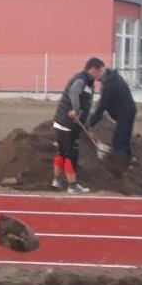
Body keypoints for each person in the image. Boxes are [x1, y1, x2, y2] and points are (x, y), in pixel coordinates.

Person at [51, 57, 106, 194]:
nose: (101, 75)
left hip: (60, 122)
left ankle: (56, 181)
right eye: (100, 72)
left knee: (61, 152)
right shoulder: (82, 79)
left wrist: (87, 127)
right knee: (71, 155)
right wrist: (75, 109)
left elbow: (86, 107)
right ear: (93, 70)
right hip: (68, 124)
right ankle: (72, 186)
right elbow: (73, 91)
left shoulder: (88, 82)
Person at [88, 67, 137, 160]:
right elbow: (104, 100)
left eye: (96, 75)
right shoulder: (113, 78)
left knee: (118, 140)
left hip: (125, 113)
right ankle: (129, 160)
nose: (95, 78)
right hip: (128, 110)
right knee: (124, 137)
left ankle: (120, 165)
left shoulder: (110, 84)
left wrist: (90, 123)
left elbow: (102, 107)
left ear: (101, 72)